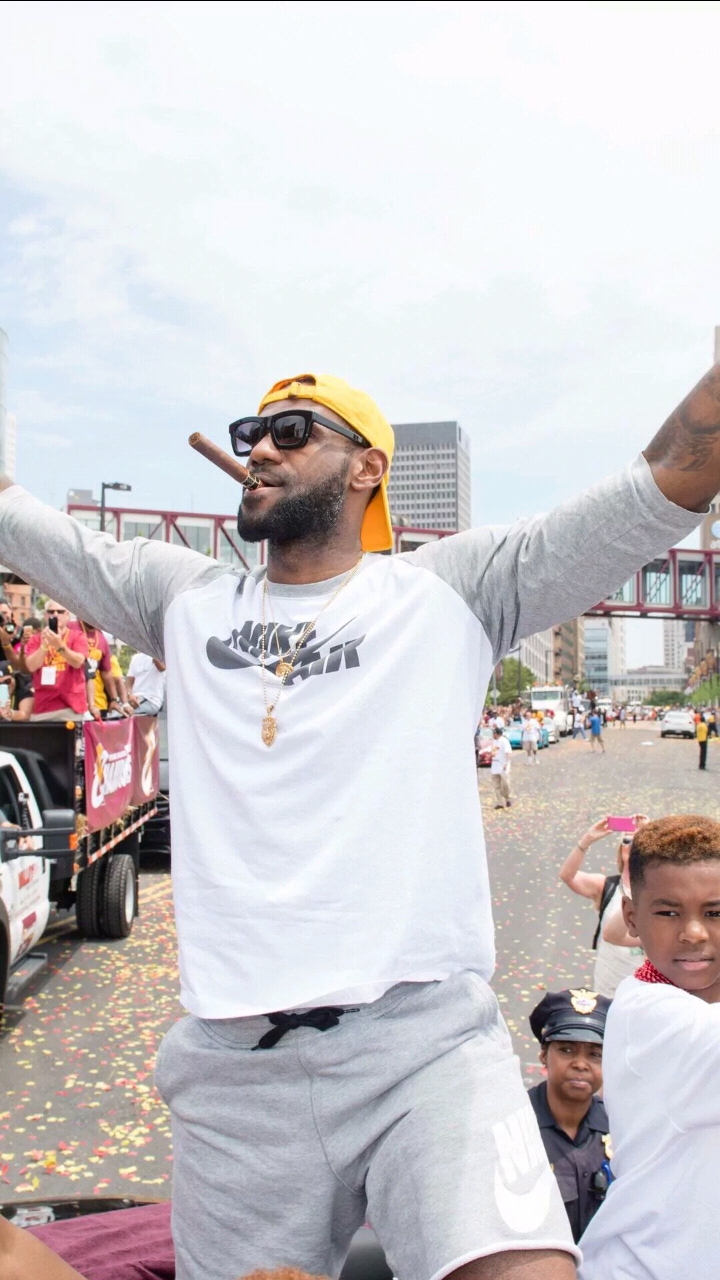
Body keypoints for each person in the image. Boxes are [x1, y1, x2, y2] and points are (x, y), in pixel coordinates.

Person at [0, 365, 711, 1280]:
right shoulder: (179, 597)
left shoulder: (455, 591)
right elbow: (16, 516)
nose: (262, 446)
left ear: (368, 467)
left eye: (294, 431)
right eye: (252, 431)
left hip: (424, 1049)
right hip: (232, 1068)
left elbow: (669, 477)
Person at [579, 815, 720, 1279]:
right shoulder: (656, 1018)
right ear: (631, 917)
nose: (694, 932)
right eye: (668, 912)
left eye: (715, 912)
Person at [527, 989, 612, 1244]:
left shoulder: (620, 1128)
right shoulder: (517, 1127)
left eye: (595, 1054)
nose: (580, 1064)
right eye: (566, 1050)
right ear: (544, 1055)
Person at [559, 818, 645, 996]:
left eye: (639, 842)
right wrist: (587, 840)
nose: (632, 847)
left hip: (644, 985)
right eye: (627, 841)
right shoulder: (607, 886)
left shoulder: (660, 890)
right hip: (608, 986)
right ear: (621, 849)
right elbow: (567, 875)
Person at [24, 601, 88, 722]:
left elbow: (78, 662)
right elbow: (31, 666)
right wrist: (44, 645)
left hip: (71, 707)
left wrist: (59, 646)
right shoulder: (36, 639)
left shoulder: (77, 636)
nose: (55, 614)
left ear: (67, 615)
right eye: (51, 612)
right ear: (45, 615)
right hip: (43, 707)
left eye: (60, 611)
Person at [77, 619, 127, 719]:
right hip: (73, 704)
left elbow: (108, 674)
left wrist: (114, 699)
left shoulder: (102, 638)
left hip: (98, 704)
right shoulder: (71, 628)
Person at [126, 650, 166, 715]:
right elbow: (129, 681)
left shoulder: (159, 655)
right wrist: (129, 694)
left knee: (125, 713)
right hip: (136, 698)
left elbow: (162, 668)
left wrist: (152, 652)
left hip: (151, 700)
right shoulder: (135, 658)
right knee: (117, 712)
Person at [489, 725, 512, 807]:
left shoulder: (504, 741)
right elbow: (493, 751)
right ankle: (500, 802)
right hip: (495, 764)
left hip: (502, 764)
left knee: (504, 784)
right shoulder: (494, 742)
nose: (493, 735)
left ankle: (507, 798)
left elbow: (508, 753)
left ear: (497, 734)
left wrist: (506, 763)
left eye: (494, 734)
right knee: (496, 785)